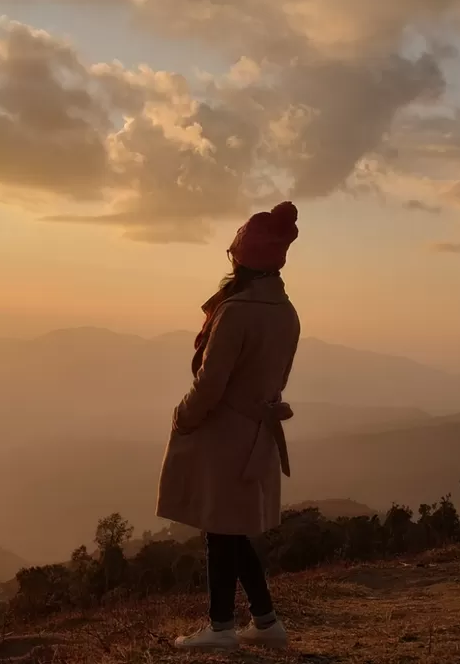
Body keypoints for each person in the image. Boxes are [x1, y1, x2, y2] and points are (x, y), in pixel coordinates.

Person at [156, 201, 301, 651]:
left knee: (221, 531)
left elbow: (210, 382)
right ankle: (265, 621)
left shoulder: (236, 311)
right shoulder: (287, 311)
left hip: (225, 434)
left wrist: (183, 415)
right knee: (231, 531)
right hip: (258, 435)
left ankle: (220, 628)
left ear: (241, 258)